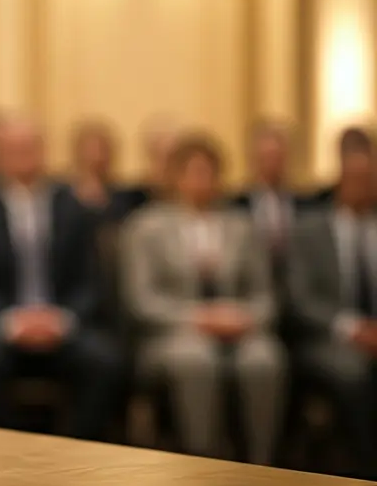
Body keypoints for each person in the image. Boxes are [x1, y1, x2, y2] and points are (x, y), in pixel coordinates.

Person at [0, 115, 123, 439]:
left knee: (105, 361)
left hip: (62, 325)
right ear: (0, 156)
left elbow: (91, 282)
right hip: (4, 327)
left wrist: (61, 320)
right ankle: (5, 456)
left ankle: (78, 455)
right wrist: (12, 321)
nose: (23, 155)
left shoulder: (73, 208)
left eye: (30, 147)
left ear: (44, 151)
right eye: (14, 149)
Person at [122, 134, 285, 463]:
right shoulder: (146, 226)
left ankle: (262, 462)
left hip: (239, 329)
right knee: (197, 360)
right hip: (173, 333)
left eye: (209, 172)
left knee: (264, 359)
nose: (202, 181)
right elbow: (141, 300)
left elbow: (265, 295)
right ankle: (203, 460)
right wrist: (197, 318)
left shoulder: (241, 226)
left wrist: (243, 318)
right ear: (176, 176)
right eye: (193, 172)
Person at [286, 148, 377, 479]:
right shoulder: (310, 229)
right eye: (355, 179)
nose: (362, 186)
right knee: (353, 373)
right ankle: (363, 468)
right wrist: (353, 329)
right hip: (327, 338)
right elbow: (299, 298)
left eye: (369, 179)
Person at [228, 120, 310, 280]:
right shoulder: (235, 205)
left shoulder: (307, 204)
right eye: (266, 157)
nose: (272, 163)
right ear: (253, 158)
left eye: (277, 156)